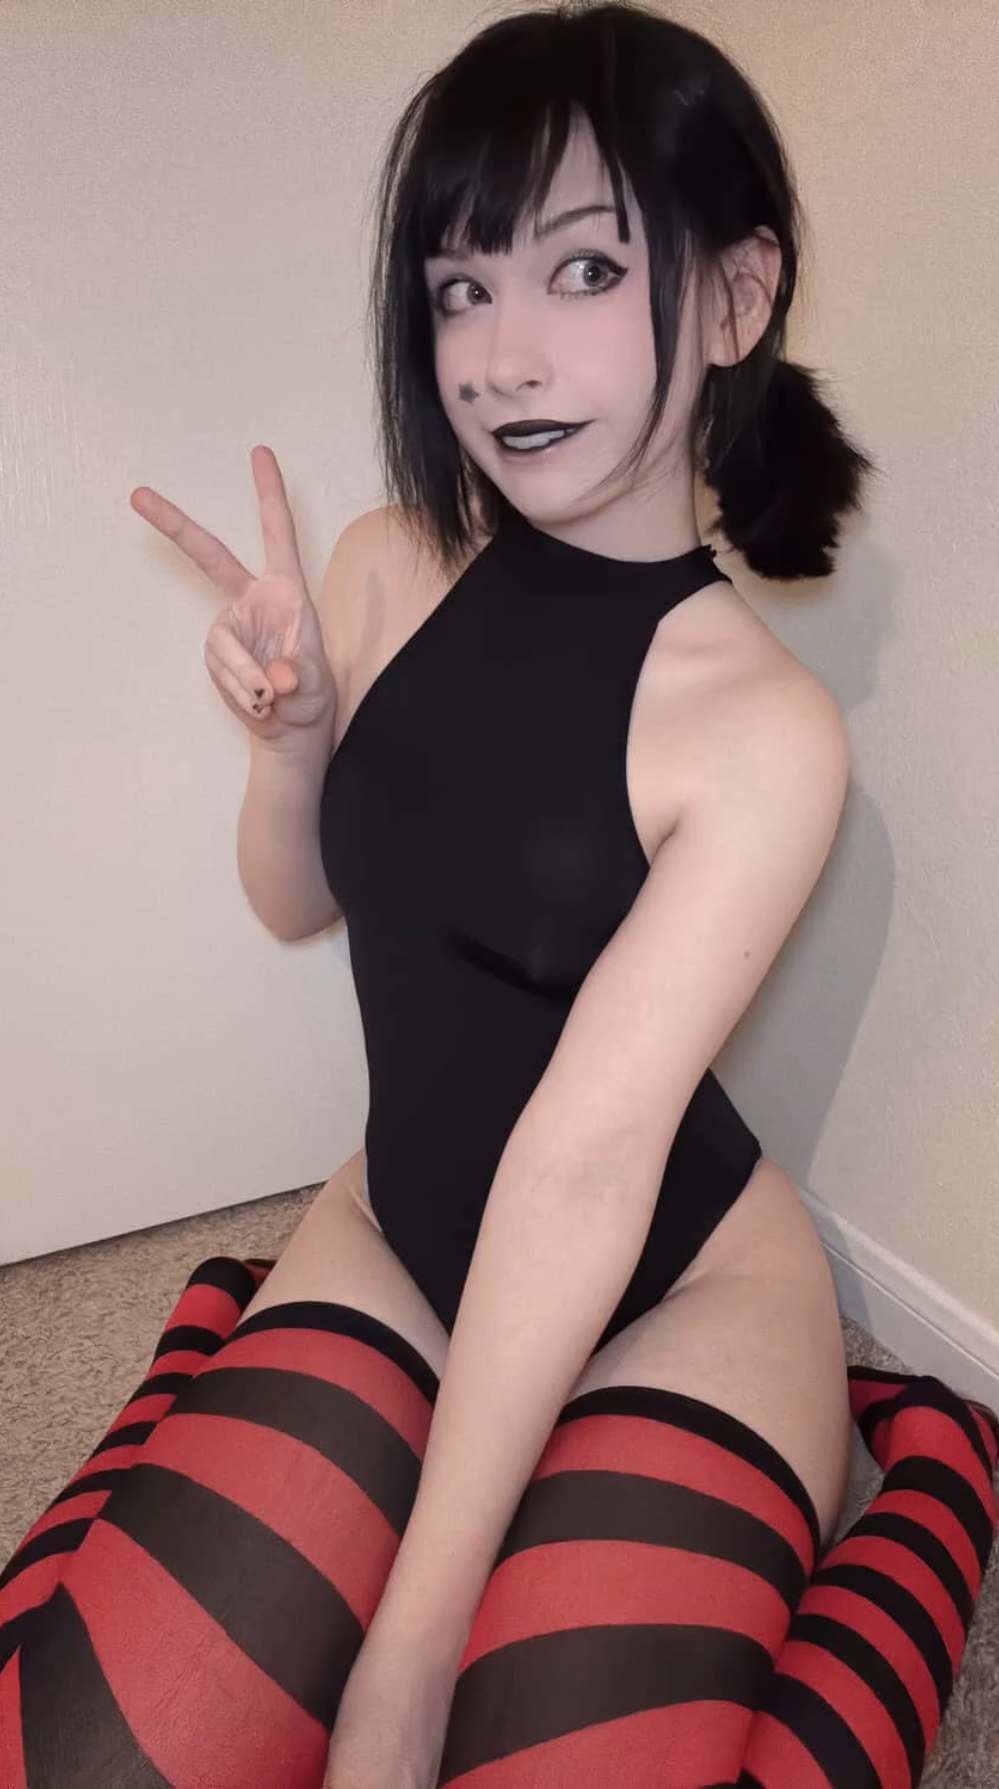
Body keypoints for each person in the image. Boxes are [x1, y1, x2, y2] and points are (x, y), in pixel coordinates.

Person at [2, 4, 996, 1785]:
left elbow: (586, 1163)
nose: (501, 357)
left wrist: (410, 1649)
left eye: (585, 269)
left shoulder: (761, 729)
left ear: (735, 296)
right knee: (87, 1758)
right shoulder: (389, 561)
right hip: (399, 1232)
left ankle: (929, 1483)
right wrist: (291, 741)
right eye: (460, 287)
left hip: (674, 1288)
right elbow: (293, 904)